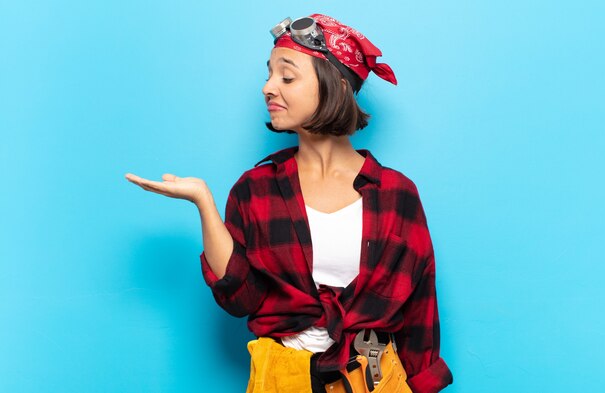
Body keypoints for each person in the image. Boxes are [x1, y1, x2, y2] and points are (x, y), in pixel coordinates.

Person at [126, 13, 452, 393]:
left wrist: (422, 383)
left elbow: (420, 308)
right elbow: (240, 298)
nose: (268, 88)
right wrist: (203, 203)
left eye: (287, 76)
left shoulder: (397, 195)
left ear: (338, 86)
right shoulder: (255, 190)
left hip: (377, 380)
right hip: (282, 379)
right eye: (268, 75)